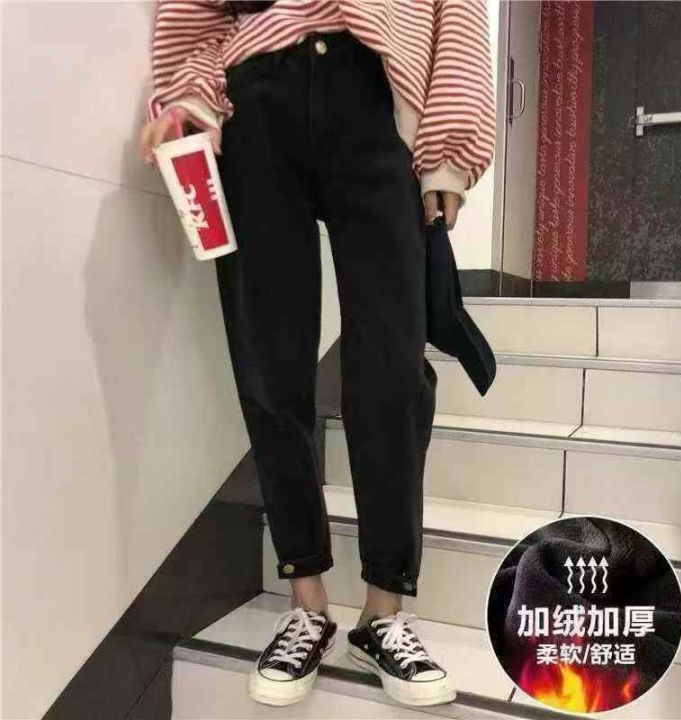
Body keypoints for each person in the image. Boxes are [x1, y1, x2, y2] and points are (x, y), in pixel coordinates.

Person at [139, 0, 494, 708]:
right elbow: (197, 16)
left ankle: (384, 610)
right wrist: (188, 95)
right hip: (255, 97)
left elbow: (456, 13)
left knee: (392, 368)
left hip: (376, 90)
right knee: (269, 359)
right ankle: (307, 601)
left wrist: (449, 152)